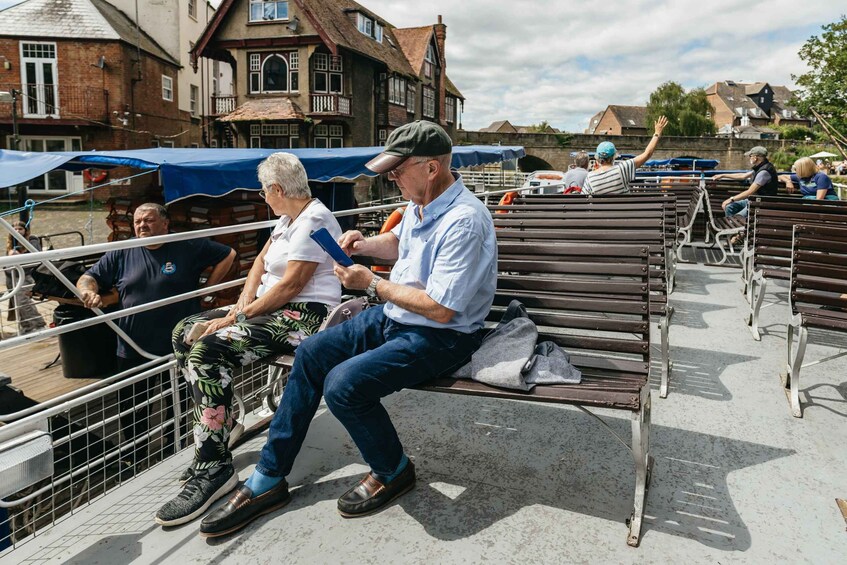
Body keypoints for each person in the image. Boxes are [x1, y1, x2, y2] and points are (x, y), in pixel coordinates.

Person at [196, 120, 497, 538]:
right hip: (398, 316)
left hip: (442, 334)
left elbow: (442, 309)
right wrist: (368, 244)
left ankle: (393, 470)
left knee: (343, 386)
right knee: (312, 352)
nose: (390, 176)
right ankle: (268, 476)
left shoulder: (465, 220)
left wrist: (370, 283)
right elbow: (402, 246)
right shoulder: (421, 202)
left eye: (397, 168)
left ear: (431, 167)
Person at [154, 152, 344, 526]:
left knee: (207, 349)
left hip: (304, 316)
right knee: (182, 332)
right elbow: (259, 262)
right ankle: (223, 425)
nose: (262, 197)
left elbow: (292, 285)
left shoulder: (315, 219)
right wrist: (243, 299)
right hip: (269, 308)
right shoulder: (289, 219)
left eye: (263, 192)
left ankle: (215, 468)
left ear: (277, 189)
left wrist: (236, 317)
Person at [77, 204, 235, 472]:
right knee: (132, 408)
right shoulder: (123, 250)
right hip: (131, 346)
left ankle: (176, 451)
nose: (141, 226)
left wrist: (208, 290)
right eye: (138, 221)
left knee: (179, 404)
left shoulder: (185, 245)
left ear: (165, 223)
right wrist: (87, 291)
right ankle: (136, 458)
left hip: (176, 346)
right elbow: (88, 277)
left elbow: (228, 254)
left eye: (148, 220)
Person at [582, 116, 668, 195]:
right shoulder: (622, 169)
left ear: (597, 158)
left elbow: (583, 199)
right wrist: (657, 133)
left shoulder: (590, 178)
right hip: (624, 211)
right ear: (614, 157)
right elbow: (647, 154)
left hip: (599, 212)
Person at [713, 146, 780, 219]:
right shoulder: (760, 167)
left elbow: (750, 191)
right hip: (754, 200)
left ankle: (734, 226)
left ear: (755, 157)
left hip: (762, 203)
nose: (749, 158)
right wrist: (723, 175)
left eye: (750, 156)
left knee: (738, 218)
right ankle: (732, 226)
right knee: (729, 207)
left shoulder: (764, 172)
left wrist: (731, 199)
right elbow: (742, 176)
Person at [4, 221, 47, 333]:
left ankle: (38, 324)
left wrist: (20, 256)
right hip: (11, 276)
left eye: (20, 229)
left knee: (23, 301)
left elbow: (36, 258)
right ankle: (27, 327)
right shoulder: (11, 242)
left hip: (24, 275)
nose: (17, 231)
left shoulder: (32, 240)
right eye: (15, 229)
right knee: (16, 303)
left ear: (25, 230)